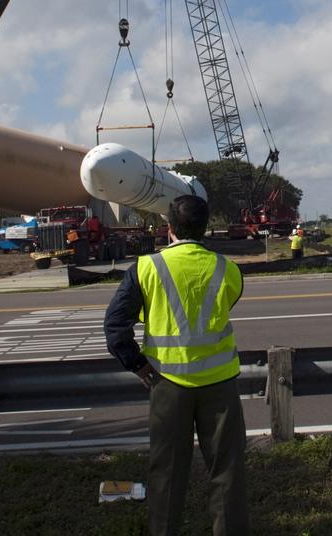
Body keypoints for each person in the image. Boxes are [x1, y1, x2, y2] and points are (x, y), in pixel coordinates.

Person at [104, 194, 248, 536]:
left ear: (169, 228)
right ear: (206, 228)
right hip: (220, 385)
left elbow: (115, 326)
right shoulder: (227, 269)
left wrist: (138, 365)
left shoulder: (146, 268)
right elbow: (228, 303)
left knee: (167, 472)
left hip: (166, 383)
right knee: (227, 471)